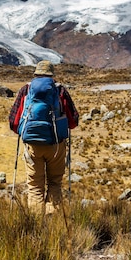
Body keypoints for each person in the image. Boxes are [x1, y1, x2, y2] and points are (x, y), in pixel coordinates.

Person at [9, 60, 79, 213]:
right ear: (51, 75)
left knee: (35, 186)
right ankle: (52, 220)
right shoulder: (59, 91)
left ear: (36, 74)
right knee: (54, 183)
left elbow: (14, 122)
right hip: (56, 145)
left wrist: (26, 132)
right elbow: (73, 121)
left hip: (32, 145)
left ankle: (36, 223)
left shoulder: (26, 90)